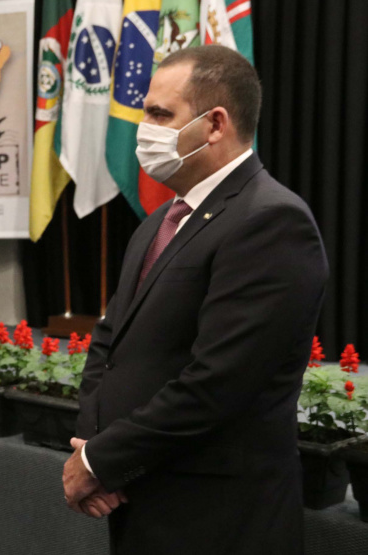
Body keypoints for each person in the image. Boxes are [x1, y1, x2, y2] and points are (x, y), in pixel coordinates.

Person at [61, 45, 328, 554]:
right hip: (138, 498)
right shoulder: (159, 223)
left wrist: (98, 463)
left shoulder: (271, 221)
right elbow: (109, 346)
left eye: (161, 115)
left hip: (216, 521)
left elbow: (217, 384)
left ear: (215, 124)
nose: (145, 129)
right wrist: (94, 450)